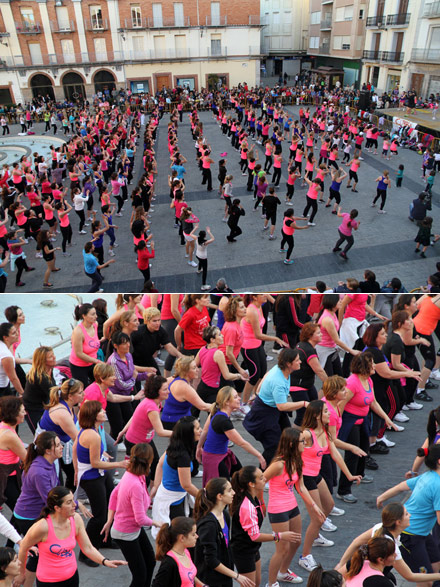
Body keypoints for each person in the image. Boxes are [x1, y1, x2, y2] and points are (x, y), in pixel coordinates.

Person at [17, 486, 127, 587]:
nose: (75, 505)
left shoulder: (76, 519)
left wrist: (105, 561)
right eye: (69, 502)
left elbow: (87, 548)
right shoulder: (42, 527)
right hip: (49, 582)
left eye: (73, 500)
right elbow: (23, 548)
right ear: (57, 508)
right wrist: (21, 574)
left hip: (72, 577)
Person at [299, 400, 362, 572]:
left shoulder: (324, 432)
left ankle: (316, 534)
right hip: (305, 478)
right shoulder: (306, 435)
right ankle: (305, 556)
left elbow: (335, 454)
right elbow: (289, 453)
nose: (329, 414)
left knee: (329, 506)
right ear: (316, 415)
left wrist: (349, 475)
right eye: (326, 411)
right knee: (318, 517)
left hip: (316, 475)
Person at [336, 353, 401, 504]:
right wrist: (336, 425)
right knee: (352, 454)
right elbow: (340, 405)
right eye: (372, 363)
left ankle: (359, 473)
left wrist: (387, 419)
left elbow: (373, 402)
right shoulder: (353, 383)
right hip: (350, 422)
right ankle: (344, 490)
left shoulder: (368, 380)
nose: (374, 366)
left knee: (365, 448)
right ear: (364, 366)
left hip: (362, 419)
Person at [264, 427, 326, 586]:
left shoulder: (298, 460)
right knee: (282, 549)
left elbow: (301, 487)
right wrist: (261, 502)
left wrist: (314, 506)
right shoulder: (278, 464)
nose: (305, 444)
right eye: (301, 441)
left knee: (296, 541)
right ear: (292, 443)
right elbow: (260, 482)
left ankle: (283, 573)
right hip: (278, 509)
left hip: (292, 506)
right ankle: (271, 583)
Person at [73, 401, 128, 566]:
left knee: (112, 505)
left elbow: (76, 448)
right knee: (99, 515)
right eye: (100, 410)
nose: (104, 411)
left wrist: (77, 469)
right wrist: (119, 465)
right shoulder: (93, 434)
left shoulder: (93, 431)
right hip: (92, 478)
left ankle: (105, 540)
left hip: (98, 475)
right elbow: (95, 463)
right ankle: (85, 552)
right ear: (93, 415)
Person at [337, 501, 440, 584]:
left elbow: (356, 542)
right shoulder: (391, 547)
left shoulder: (380, 527)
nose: (410, 515)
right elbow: (410, 576)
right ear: (398, 522)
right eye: (406, 514)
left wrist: (341, 564)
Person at [102, 443, 160, 587]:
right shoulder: (134, 482)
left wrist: (110, 520)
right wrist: (157, 523)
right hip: (125, 533)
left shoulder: (133, 474)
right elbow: (140, 519)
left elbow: (114, 494)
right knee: (140, 576)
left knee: (150, 562)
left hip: (133, 529)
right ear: (149, 461)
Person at [231, 465, 301, 586]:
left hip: (252, 548)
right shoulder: (247, 507)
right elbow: (255, 536)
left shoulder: (254, 498)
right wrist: (280, 535)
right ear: (251, 484)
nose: (265, 479)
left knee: (256, 583)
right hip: (243, 551)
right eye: (261, 478)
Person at [243, 348, 306, 466]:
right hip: (265, 415)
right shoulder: (279, 382)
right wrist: (303, 403)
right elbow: (282, 406)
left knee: (288, 436)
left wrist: (257, 392)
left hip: (273, 410)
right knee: (274, 446)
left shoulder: (280, 368)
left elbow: (267, 375)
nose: (300, 362)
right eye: (297, 360)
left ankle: (287, 464)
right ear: (288, 364)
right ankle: (263, 474)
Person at [196, 386, 265, 485]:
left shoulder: (217, 411)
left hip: (221, 453)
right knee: (223, 488)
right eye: (236, 397)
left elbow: (206, 430)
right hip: (214, 459)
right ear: (227, 402)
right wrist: (259, 455)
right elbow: (241, 443)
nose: (239, 398)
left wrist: (199, 447)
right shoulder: (223, 420)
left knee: (241, 478)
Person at [194, 477, 252, 587]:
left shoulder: (224, 515)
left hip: (224, 576)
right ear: (219, 496)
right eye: (229, 490)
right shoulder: (208, 525)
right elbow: (210, 559)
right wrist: (236, 576)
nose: (234, 493)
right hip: (210, 578)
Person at [115, 375, 172, 480]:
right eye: (165, 389)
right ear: (156, 391)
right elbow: (160, 432)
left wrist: (123, 431)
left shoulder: (154, 402)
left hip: (145, 440)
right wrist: (181, 432)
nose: (168, 391)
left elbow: (134, 416)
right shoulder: (151, 407)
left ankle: (151, 494)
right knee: (141, 475)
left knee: (155, 467)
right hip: (136, 443)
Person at [151, 416, 201, 532]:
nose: (201, 430)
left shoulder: (176, 445)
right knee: (180, 534)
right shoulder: (182, 455)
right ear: (188, 433)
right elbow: (186, 485)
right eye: (197, 428)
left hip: (174, 496)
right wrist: (203, 497)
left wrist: (156, 486)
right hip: (173, 501)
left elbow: (160, 463)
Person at [241, 294, 287, 409]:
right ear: (255, 297)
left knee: (262, 372)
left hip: (257, 345)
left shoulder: (260, 306)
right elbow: (258, 335)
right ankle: (244, 403)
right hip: (248, 346)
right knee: (254, 375)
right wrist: (276, 338)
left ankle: (255, 397)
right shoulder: (252, 310)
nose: (266, 295)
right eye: (262, 294)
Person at [194, 326, 247, 416]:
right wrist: (238, 376)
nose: (222, 336)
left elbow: (194, 366)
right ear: (212, 340)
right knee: (215, 418)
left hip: (202, 387)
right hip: (212, 390)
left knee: (193, 415)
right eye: (219, 335)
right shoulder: (218, 353)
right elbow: (226, 376)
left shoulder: (202, 349)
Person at [290, 322, 328, 427]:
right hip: (298, 386)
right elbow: (319, 370)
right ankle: (294, 439)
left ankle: (309, 437)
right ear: (310, 335)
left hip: (307, 384)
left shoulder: (302, 345)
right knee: (302, 416)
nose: (321, 334)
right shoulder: (309, 350)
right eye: (318, 333)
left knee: (314, 411)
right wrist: (330, 384)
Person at [152, 517, 202, 587]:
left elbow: (190, 575)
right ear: (182, 538)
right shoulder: (169, 563)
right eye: (193, 534)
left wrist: (202, 585)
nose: (197, 536)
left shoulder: (185, 552)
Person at [131, 307, 182, 373]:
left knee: (158, 379)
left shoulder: (161, 331)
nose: (158, 323)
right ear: (147, 321)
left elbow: (169, 346)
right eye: (154, 321)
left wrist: (180, 355)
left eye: (159, 320)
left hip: (148, 358)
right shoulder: (137, 332)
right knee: (135, 381)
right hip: (133, 361)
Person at [0, 396, 26, 511]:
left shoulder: (4, 426)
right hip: (7, 478)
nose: (25, 413)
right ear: (14, 414)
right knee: (20, 510)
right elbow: (26, 458)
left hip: (9, 476)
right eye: (22, 411)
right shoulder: (9, 435)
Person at [23, 346, 56, 433]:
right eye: (50, 357)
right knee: (40, 434)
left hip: (43, 405)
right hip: (32, 409)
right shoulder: (40, 377)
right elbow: (53, 392)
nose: (54, 358)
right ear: (43, 361)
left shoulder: (49, 370)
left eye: (53, 355)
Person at [69, 303, 103, 388]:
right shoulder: (78, 331)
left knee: (100, 384)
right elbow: (79, 353)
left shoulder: (95, 325)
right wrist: (97, 361)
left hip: (92, 362)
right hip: (78, 365)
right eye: (92, 314)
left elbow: (93, 342)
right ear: (84, 316)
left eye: (95, 313)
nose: (96, 316)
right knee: (83, 389)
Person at [0, 323, 24, 397]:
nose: (17, 334)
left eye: (16, 331)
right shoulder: (6, 355)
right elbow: (13, 378)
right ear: (5, 338)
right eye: (13, 333)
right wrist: (23, 394)